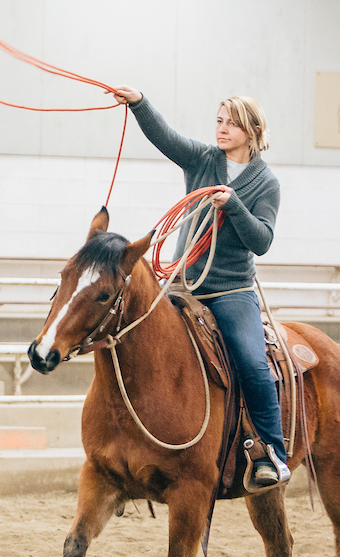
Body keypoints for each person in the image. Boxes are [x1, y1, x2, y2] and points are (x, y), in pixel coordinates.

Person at [110, 86, 290, 487]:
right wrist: (140, 103)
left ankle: (272, 453)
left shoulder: (266, 185)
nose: (222, 129)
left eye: (232, 123)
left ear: (253, 130)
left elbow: (261, 240)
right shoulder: (203, 159)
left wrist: (233, 206)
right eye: (220, 121)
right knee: (133, 336)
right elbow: (166, 136)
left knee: (252, 362)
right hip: (183, 284)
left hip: (230, 291)